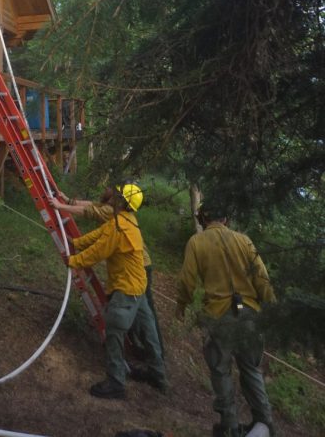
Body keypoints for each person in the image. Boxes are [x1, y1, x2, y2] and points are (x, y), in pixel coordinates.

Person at [175, 198, 276, 437]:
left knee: (221, 371)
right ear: (226, 220)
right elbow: (262, 278)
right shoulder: (244, 240)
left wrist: (181, 305)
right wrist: (272, 312)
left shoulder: (197, 242)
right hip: (250, 314)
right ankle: (265, 423)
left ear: (204, 219)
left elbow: (187, 280)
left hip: (219, 316)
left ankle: (229, 426)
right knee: (251, 369)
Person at [63, 183, 168, 399]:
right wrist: (77, 242)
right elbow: (101, 234)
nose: (112, 197)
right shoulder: (125, 221)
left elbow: (100, 250)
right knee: (149, 333)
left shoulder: (120, 226)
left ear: (122, 201)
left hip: (127, 289)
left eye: (117, 195)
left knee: (114, 331)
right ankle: (158, 376)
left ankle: (116, 381)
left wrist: (74, 260)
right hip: (139, 286)